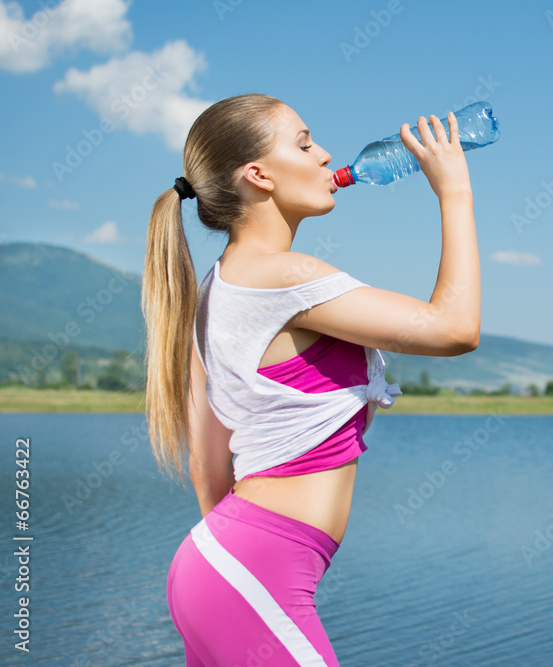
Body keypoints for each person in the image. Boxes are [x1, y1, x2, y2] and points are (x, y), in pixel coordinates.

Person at [141, 93, 480, 665]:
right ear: (258, 175)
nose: (325, 155)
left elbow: (208, 467)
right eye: (303, 143)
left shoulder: (215, 291)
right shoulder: (285, 277)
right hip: (247, 575)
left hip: (221, 567)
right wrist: (454, 191)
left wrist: (240, 565)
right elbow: (455, 330)